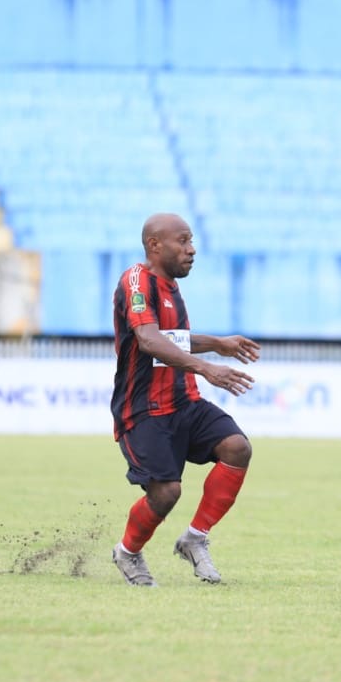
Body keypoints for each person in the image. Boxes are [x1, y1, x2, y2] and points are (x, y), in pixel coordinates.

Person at [109, 212, 261, 588]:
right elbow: (148, 340)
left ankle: (195, 537)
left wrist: (217, 344)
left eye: (191, 241)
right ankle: (128, 552)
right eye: (183, 241)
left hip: (183, 401)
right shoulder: (137, 282)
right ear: (154, 245)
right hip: (143, 408)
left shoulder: (172, 287)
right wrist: (207, 369)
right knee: (166, 492)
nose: (192, 250)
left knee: (237, 448)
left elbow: (171, 339)